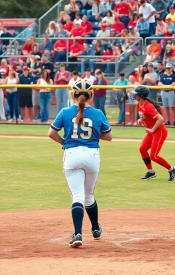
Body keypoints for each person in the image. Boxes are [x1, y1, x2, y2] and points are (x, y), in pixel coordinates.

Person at [48, 79, 112, 248]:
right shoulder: (98, 113)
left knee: (77, 196)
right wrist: (93, 135)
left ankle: (77, 234)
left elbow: (51, 133)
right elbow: (109, 136)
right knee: (88, 195)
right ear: (91, 95)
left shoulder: (65, 111)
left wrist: (64, 142)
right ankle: (96, 228)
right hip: (91, 155)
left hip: (72, 154)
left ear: (72, 94)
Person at [131, 86, 175, 181]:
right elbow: (145, 115)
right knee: (142, 149)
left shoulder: (148, 106)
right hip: (152, 131)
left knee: (154, 156)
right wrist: (141, 119)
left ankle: (172, 169)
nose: (134, 95)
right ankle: (151, 172)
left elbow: (160, 119)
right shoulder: (139, 104)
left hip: (159, 132)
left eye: (136, 94)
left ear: (141, 95)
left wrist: (152, 129)